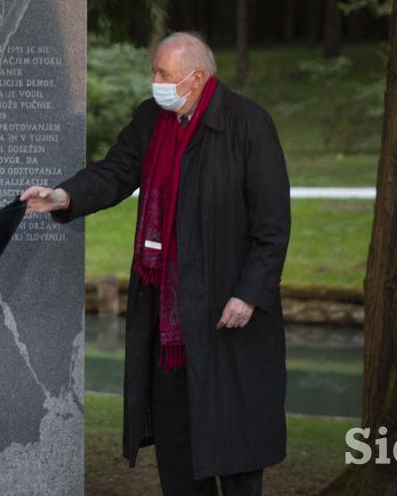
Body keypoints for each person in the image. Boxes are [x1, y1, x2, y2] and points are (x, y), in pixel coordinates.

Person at [20, 32, 290, 496]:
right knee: (179, 450)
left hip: (227, 317)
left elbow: (272, 225)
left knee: (236, 449)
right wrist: (64, 195)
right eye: (156, 71)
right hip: (169, 324)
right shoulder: (152, 120)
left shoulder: (247, 125)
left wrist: (248, 294)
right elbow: (116, 172)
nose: (156, 82)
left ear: (198, 77)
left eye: (164, 74)